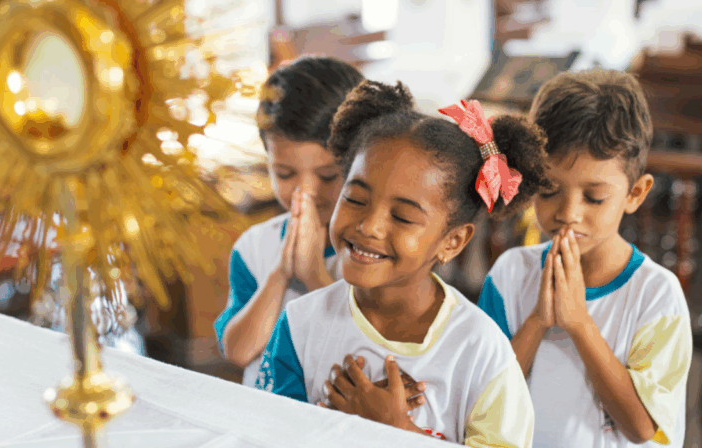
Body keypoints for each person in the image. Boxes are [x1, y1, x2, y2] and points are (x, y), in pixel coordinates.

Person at [257, 80, 550, 446]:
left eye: (403, 217)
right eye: (356, 199)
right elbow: (265, 432)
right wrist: (337, 423)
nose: (369, 226)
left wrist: (399, 431)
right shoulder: (300, 326)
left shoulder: (479, 350)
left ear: (452, 241)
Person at [478, 69, 693, 447]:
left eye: (594, 197)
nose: (569, 213)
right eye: (549, 190)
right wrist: (537, 321)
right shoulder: (509, 275)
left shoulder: (658, 295)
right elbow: (482, 399)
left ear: (635, 194)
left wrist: (579, 322)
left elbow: (644, 428)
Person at [213, 56, 364, 388]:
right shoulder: (255, 247)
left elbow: (368, 353)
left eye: (328, 175)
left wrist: (313, 275)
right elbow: (239, 351)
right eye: (284, 173)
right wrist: (280, 273)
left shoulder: (372, 248)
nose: (305, 192)